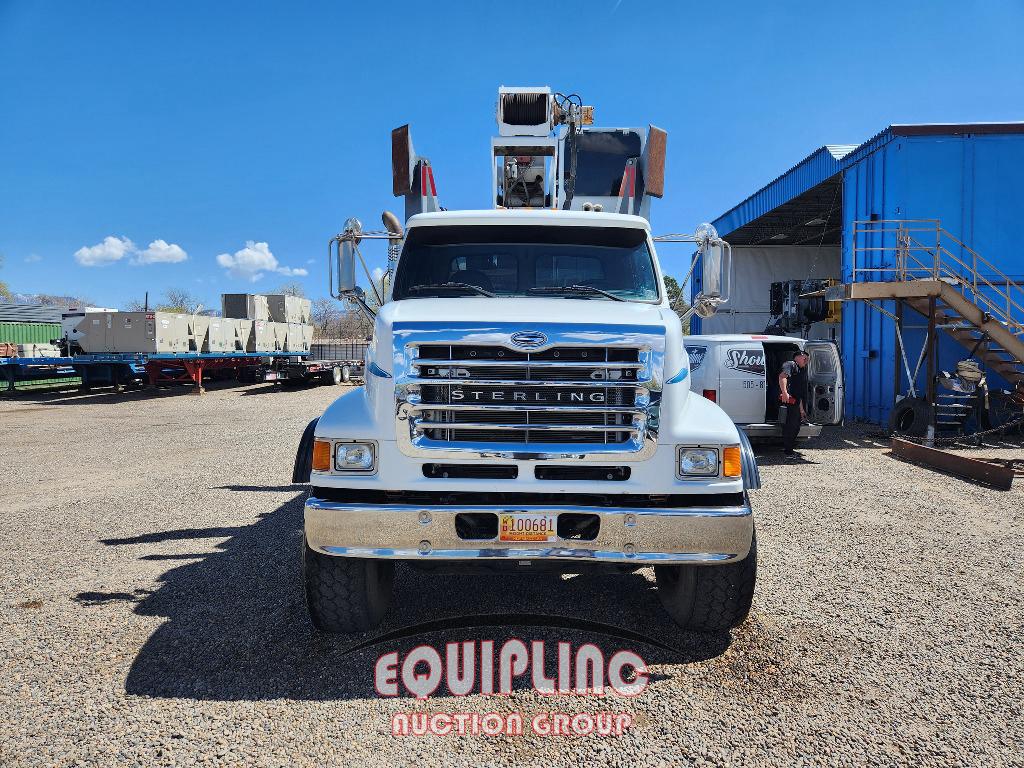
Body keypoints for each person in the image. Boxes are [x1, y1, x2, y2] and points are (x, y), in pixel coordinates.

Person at [779, 349, 809, 457]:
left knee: (796, 426)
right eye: (804, 357)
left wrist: (801, 410)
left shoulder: (802, 370)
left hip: (795, 402)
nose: (806, 359)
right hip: (788, 401)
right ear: (797, 357)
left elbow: (799, 394)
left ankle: (790, 449)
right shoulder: (790, 364)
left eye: (807, 358)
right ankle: (788, 451)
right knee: (790, 427)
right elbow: (782, 376)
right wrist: (785, 392)